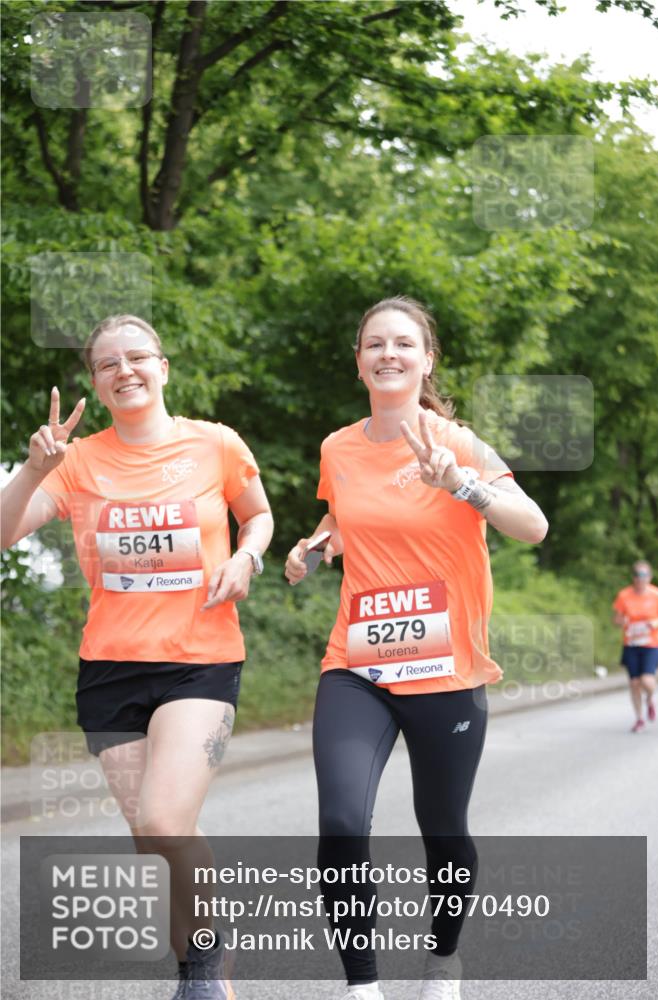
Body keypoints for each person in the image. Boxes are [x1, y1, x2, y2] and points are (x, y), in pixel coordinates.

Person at [1, 315, 273, 999]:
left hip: (200, 659)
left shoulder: (215, 444)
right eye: (107, 364)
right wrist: (34, 470)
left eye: (137, 357)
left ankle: (204, 971)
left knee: (161, 820)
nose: (124, 370)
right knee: (154, 836)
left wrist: (247, 557)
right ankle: (202, 962)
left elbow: (258, 515)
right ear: (94, 383)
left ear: (163, 366)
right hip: (110, 670)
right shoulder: (76, 461)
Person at [284, 296, 549, 1000]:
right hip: (358, 665)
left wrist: (460, 484)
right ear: (359, 362)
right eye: (374, 344)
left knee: (444, 830)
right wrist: (315, 547)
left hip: (446, 669)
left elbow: (532, 525)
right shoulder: (338, 448)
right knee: (341, 822)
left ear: (426, 360)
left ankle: (442, 959)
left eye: (403, 343)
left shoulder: (456, 442)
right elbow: (345, 518)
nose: (388, 354)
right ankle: (361, 987)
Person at [612, 561, 658, 732]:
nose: (640, 578)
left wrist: (657, 621)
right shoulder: (624, 595)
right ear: (633, 577)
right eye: (637, 575)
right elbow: (616, 620)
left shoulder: (657, 595)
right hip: (631, 643)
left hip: (651, 643)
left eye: (643, 575)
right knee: (634, 683)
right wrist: (621, 621)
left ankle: (650, 699)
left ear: (649, 577)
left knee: (647, 681)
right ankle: (639, 718)